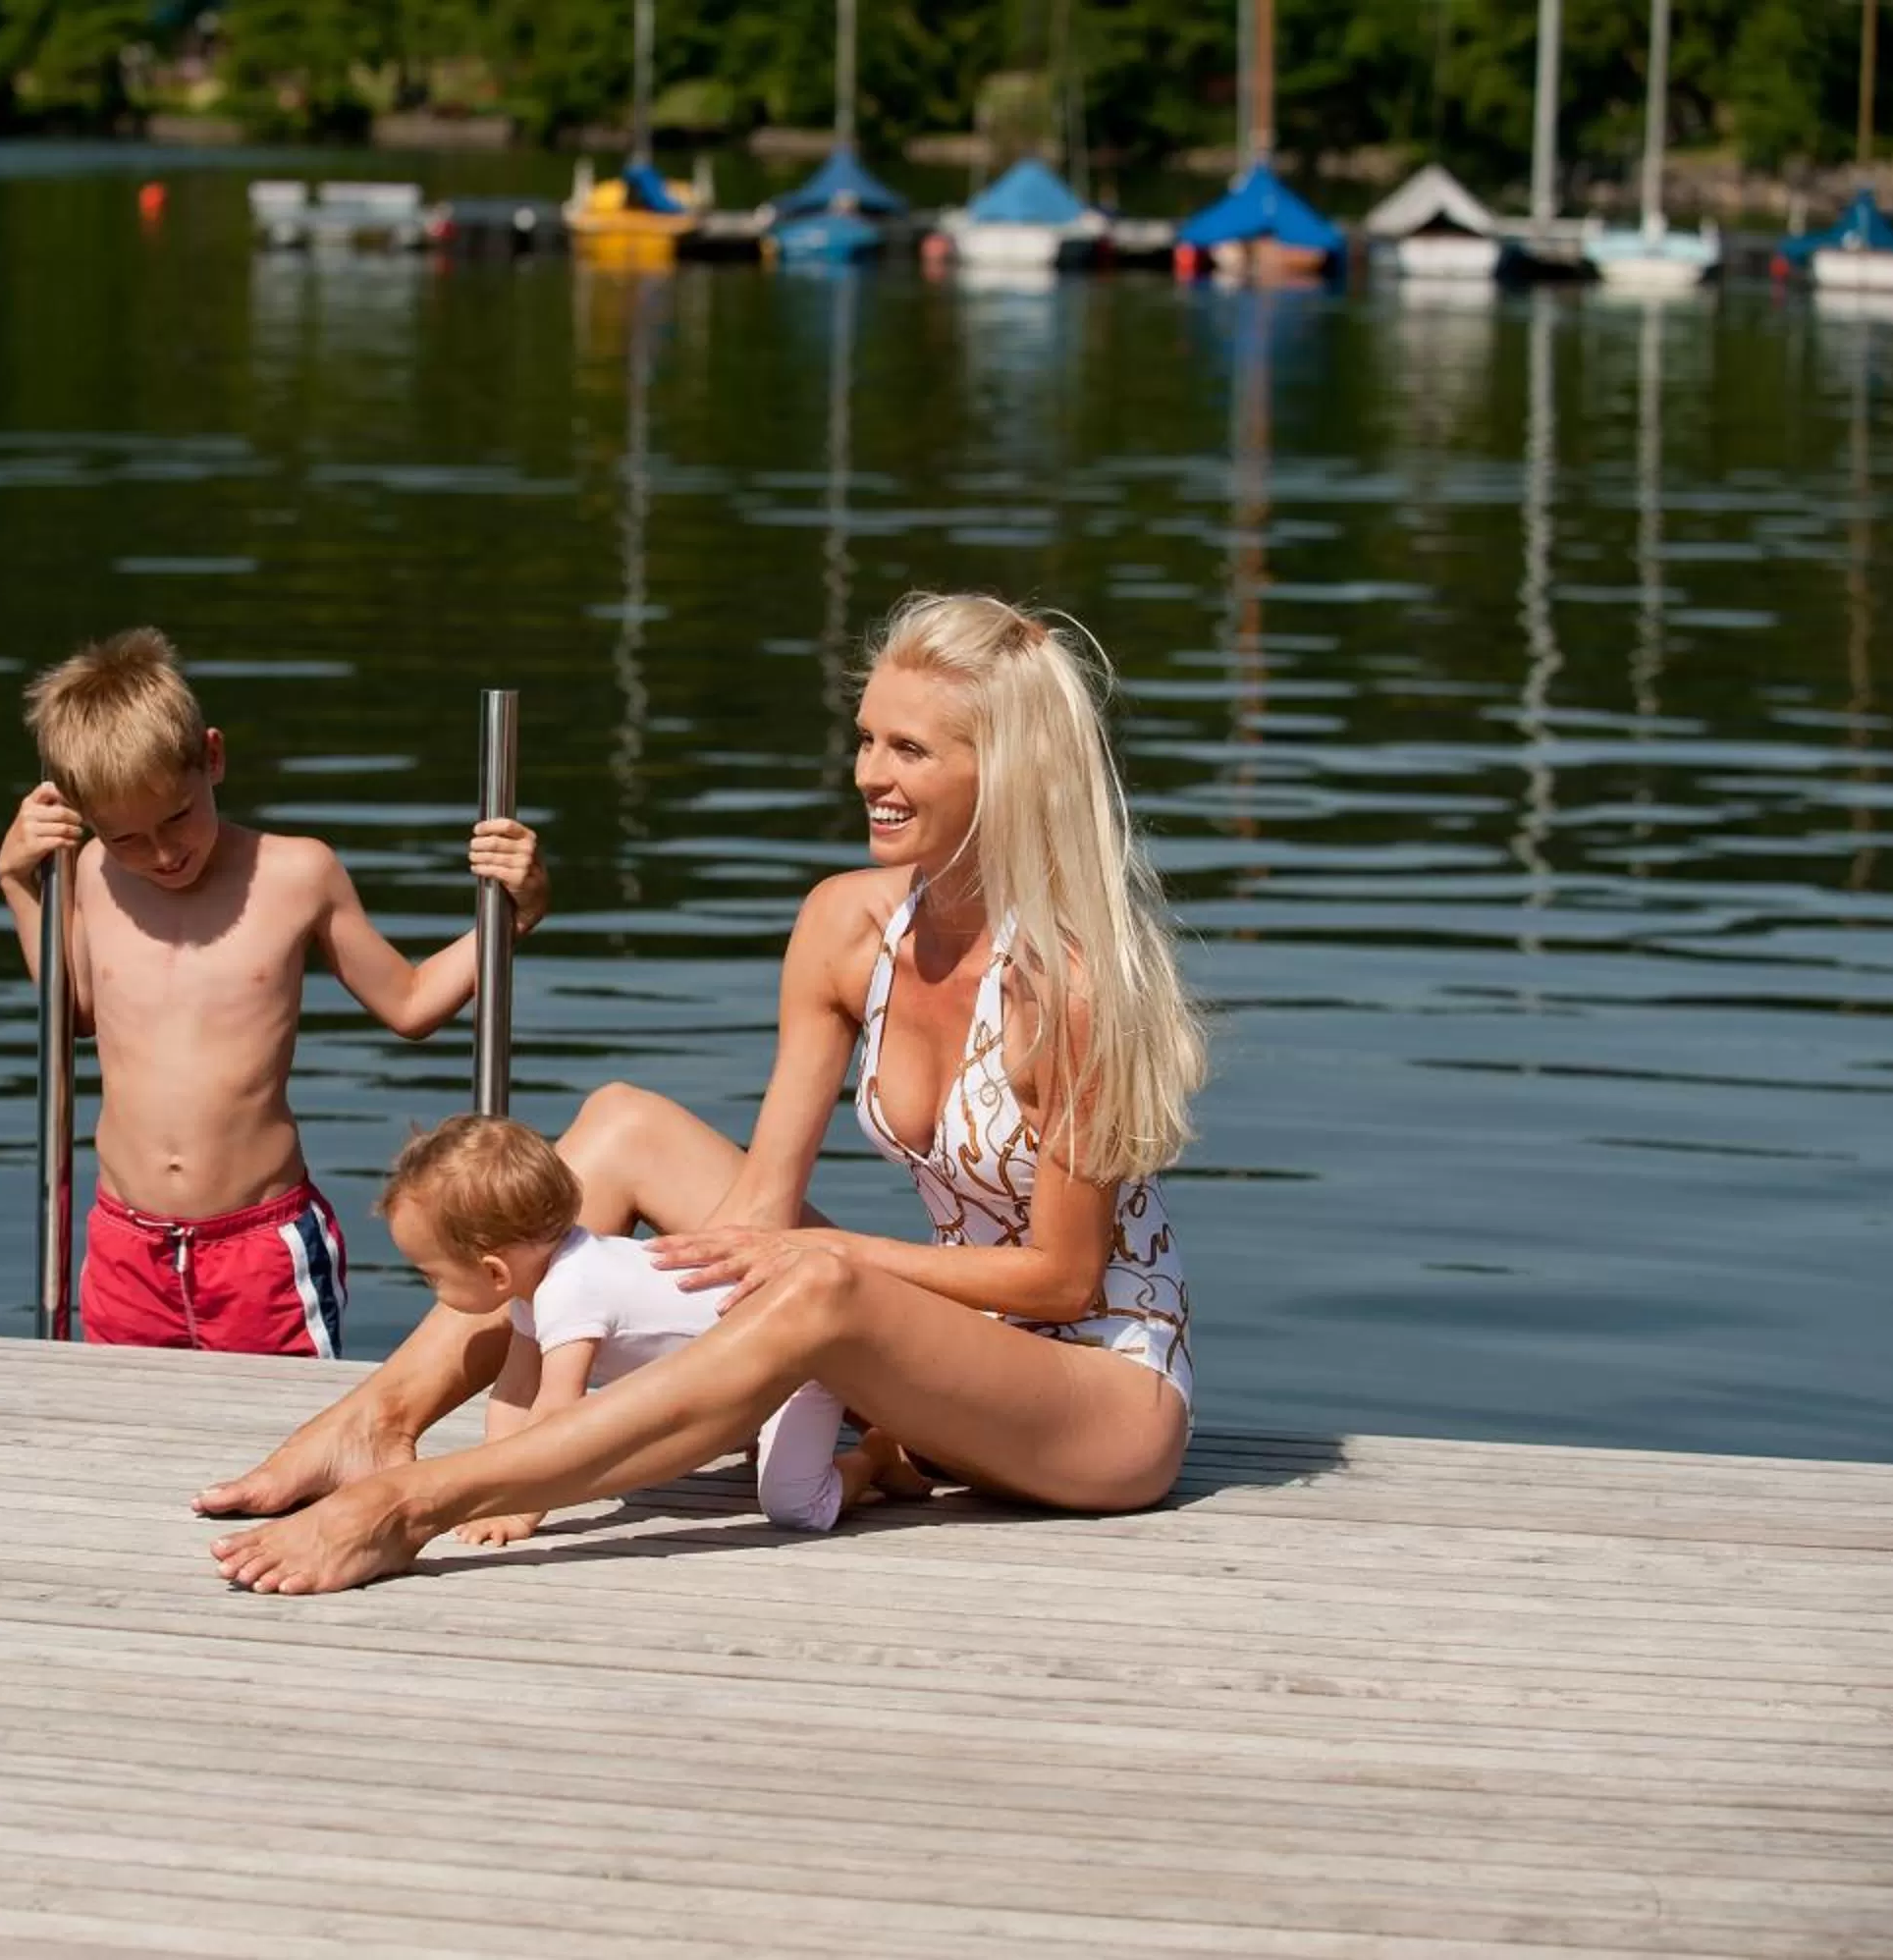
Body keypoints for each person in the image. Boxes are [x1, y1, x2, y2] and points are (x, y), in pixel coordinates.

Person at [200, 591, 1205, 1591]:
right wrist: (664, 1314)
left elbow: (1062, 1280)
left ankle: (416, 1501)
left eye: (910, 751)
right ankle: (377, 1423)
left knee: (822, 1284)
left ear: (1004, 771)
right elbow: (763, 1203)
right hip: (934, 1358)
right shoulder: (847, 928)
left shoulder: (1068, 986)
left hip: (1095, 1393)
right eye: (866, 741)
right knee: (623, 1126)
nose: (869, 776)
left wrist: (819, 1266)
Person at [0, 627, 547, 1356]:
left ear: (212, 758)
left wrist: (518, 913)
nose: (162, 854)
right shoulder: (89, 874)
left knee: (282, 1438)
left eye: (177, 818)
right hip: (126, 1240)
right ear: (85, 817)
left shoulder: (296, 874)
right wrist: (17, 883)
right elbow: (72, 1016)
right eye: (128, 838)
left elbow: (410, 1005)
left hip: (259, 1244)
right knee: (117, 1432)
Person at [378, 1114, 924, 1543]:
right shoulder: (538, 1284)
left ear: (494, 1271)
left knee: (795, 1507)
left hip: (799, 1360)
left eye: (431, 1275)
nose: (432, 1288)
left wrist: (521, 1510)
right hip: (741, 1370)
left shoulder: (572, 1289)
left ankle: (873, 1458)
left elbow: (556, 1412)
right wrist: (488, 1486)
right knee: (759, 1449)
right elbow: (516, 1393)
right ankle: (775, 1436)